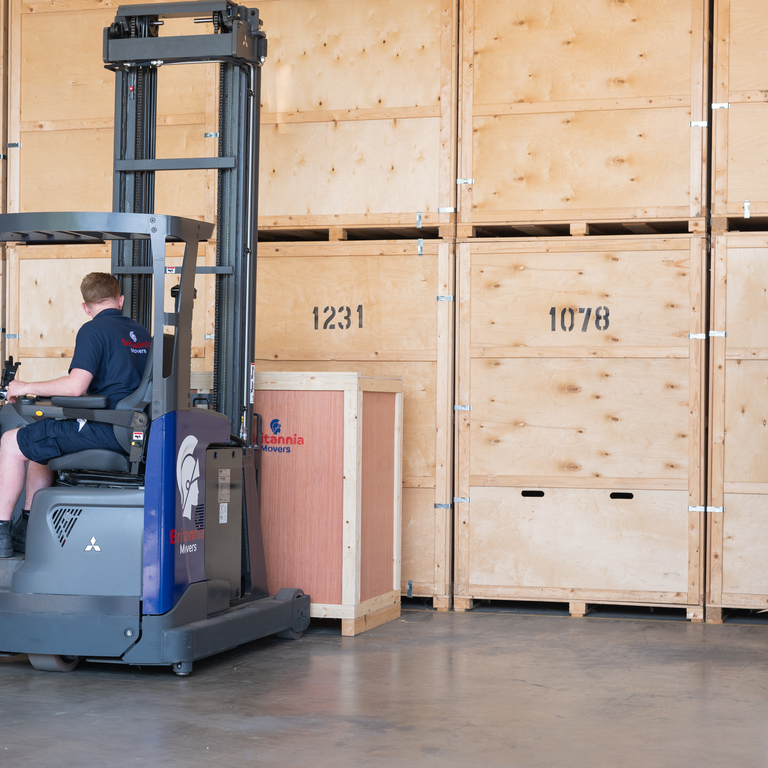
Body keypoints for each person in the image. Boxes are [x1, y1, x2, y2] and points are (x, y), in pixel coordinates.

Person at [0, 273, 151, 557]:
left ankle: (1, 534)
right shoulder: (142, 333)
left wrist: (25, 386)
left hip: (107, 429)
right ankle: (29, 529)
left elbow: (76, 385)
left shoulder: (93, 330)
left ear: (85, 306)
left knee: (11, 441)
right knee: (42, 437)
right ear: (120, 300)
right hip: (133, 430)